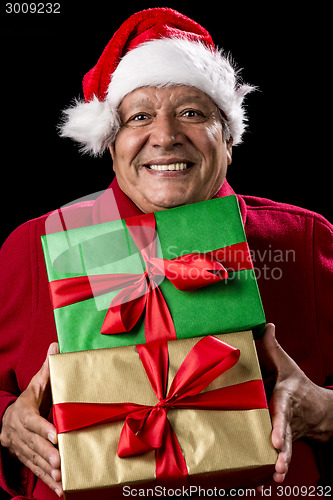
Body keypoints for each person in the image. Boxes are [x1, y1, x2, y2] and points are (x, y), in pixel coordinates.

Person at [0, 7, 332, 499]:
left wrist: (325, 412)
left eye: (192, 113)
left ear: (230, 138)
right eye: (139, 117)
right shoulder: (33, 246)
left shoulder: (302, 240)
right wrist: (7, 420)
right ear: (111, 144)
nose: (165, 135)